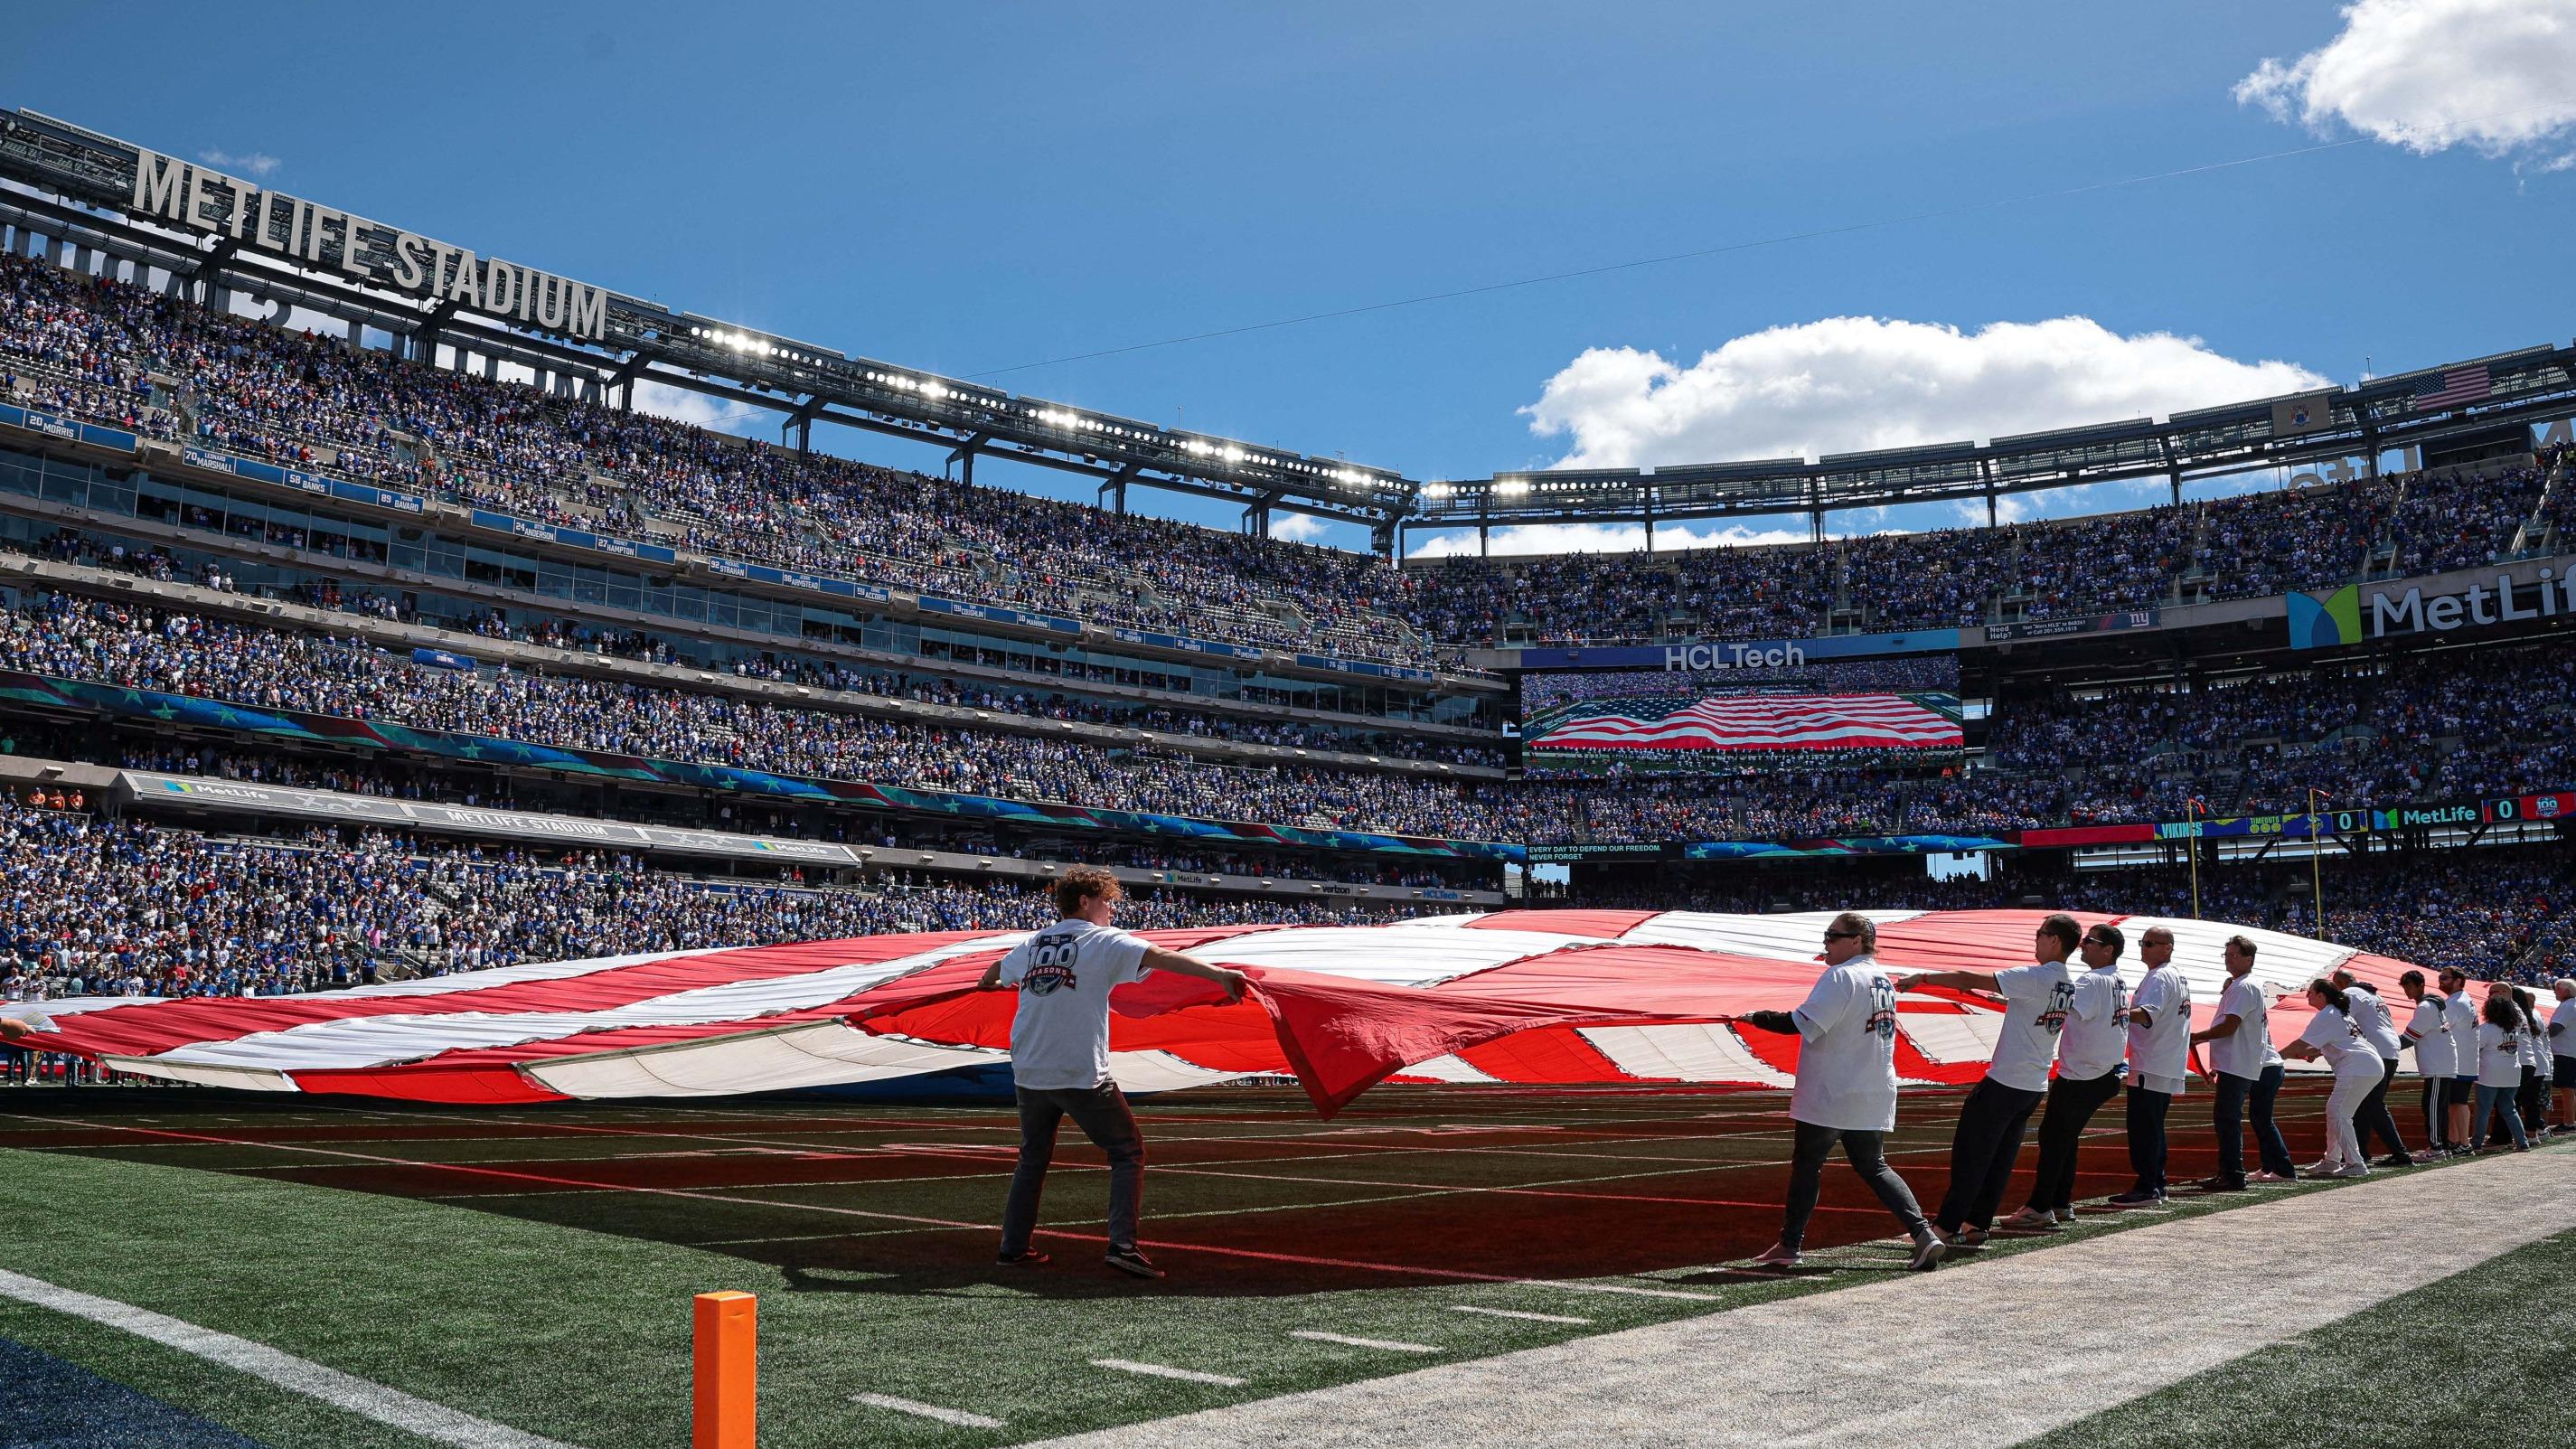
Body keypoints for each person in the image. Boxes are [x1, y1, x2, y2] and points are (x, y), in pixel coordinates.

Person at [981, 866, 1248, 1278]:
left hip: (1030, 1068)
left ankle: (1012, 1248)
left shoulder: (1034, 943)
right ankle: (1123, 1246)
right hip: (1078, 1068)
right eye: (1107, 902)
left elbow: (994, 972)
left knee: (1032, 1158)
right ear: (1086, 902)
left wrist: (993, 986)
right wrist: (1219, 975)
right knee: (1128, 1151)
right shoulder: (1102, 941)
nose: (1112, 910)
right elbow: (1159, 956)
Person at [1740, 912, 1945, 1271]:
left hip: (1833, 1090)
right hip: (1871, 1088)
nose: (1826, 942)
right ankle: (1923, 1233)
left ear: (1857, 941)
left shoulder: (1840, 976)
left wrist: (1755, 1017)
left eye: (1833, 936)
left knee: (1808, 1165)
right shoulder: (1881, 978)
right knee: (1873, 1166)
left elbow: (1801, 1023)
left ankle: (1789, 1245)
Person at [1896, 912, 2080, 1249]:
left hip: (2006, 1082)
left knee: (1972, 1154)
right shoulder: (2067, 981)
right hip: (2033, 1083)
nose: (2035, 940)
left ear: (2055, 940)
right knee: (2000, 1158)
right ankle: (1977, 1224)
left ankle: (1946, 1226)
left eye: (2040, 934)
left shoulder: (2036, 976)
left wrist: (1922, 977)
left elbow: (1968, 977)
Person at [1998, 922, 2128, 1230]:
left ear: (2108, 950)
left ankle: (2041, 1207)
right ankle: (2059, 1201)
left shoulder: (2092, 981)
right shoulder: (2116, 979)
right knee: (2064, 1138)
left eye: (2090, 942)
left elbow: (2057, 1002)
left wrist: (2017, 995)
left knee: (2054, 1139)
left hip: (2083, 1076)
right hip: (2103, 1072)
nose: (2083, 946)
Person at [2191, 935, 2295, 1190]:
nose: (2228, 959)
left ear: (2249, 959)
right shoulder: (2243, 985)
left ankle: (2234, 1173)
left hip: (2239, 1064)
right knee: (2242, 1119)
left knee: (2230, 1120)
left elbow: (2229, 1026)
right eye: (2226, 955)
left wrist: (2195, 1038)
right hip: (2242, 1062)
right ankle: (2241, 1170)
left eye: (2234, 955)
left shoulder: (2243, 986)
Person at [2111, 926, 2191, 1206]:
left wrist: (2113, 1012)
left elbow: (2146, 1014)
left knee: (2143, 1128)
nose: (2144, 948)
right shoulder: (2175, 975)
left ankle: (2147, 1186)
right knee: (2153, 1126)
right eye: (2142, 943)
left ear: (2167, 947)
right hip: (2163, 1060)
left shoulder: (2160, 977)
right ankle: (2157, 1182)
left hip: (2152, 1061)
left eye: (2150, 943)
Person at [2279, 979, 2381, 1179]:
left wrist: (2274, 1056)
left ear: (2321, 995)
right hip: (2366, 1065)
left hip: (2358, 1066)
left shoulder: (2327, 1015)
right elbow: (2324, 1043)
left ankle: (2355, 1163)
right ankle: (2332, 1161)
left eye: (2310, 992)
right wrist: (2314, 1052)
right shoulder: (2338, 1013)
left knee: (2338, 1112)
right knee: (2336, 1111)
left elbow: (2300, 1045)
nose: (2307, 995)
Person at [2329, 969, 2411, 1168]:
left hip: (2377, 1050)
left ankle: (2399, 1153)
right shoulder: (2374, 995)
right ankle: (2361, 1152)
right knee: (2363, 1103)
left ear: (2339, 984)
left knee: (2373, 1103)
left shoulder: (2351, 994)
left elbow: (2340, 1019)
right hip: (2389, 1049)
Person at [2398, 970, 2459, 1160]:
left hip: (2437, 1064)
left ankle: (2436, 1147)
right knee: (2437, 1106)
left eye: (2409, 986)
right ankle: (2443, 1145)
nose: (2407, 990)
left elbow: (2409, 1038)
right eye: (2405, 986)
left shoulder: (2425, 1007)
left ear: (2420, 985)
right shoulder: (2432, 1005)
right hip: (2441, 1063)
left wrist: (2385, 1047)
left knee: (2432, 1106)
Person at [2472, 992, 2533, 1153]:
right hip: (2512, 1072)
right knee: (2509, 1109)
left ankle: (2477, 1143)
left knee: (2483, 1110)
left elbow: (2476, 1048)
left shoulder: (2486, 1029)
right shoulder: (2514, 1028)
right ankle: (2522, 1142)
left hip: (2489, 1074)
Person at [2440, 969, 2482, 1150]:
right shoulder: (2464, 999)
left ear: (2458, 981)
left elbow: (2440, 1028)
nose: (2440, 981)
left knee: (2458, 1102)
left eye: (2445, 978)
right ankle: (2456, 1140)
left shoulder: (2455, 1003)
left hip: (2459, 1061)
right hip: (2465, 1059)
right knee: (2455, 1103)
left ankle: (2463, 1143)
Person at [2551, 978, 2576, 1134]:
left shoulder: (2567, 1007)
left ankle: (2568, 1122)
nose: (2555, 991)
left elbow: (2556, 1029)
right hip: (2570, 1051)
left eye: (2558, 989)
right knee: (2570, 1089)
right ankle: (2570, 1120)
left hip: (2564, 1052)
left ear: (2567, 990)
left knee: (2567, 1089)